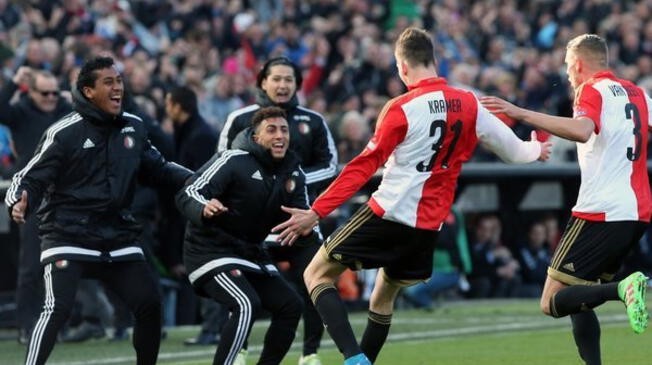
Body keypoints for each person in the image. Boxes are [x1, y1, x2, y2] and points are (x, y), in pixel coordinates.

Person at [272, 27, 551, 365]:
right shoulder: (470, 103)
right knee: (383, 298)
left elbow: (362, 166)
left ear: (402, 66)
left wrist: (316, 211)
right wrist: (538, 148)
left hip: (389, 212)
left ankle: (353, 358)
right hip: (427, 227)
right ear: (433, 60)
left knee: (315, 274)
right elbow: (515, 153)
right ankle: (364, 361)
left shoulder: (401, 107)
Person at [4, 56, 192, 365]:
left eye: (119, 81)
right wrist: (18, 199)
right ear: (88, 91)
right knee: (57, 308)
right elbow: (28, 176)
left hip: (117, 233)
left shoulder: (134, 127)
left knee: (149, 303)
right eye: (109, 82)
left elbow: (160, 168)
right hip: (68, 232)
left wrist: (196, 180)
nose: (118, 87)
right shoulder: (64, 132)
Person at [480, 33, 650, 365]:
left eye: (567, 67)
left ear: (577, 63)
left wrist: (520, 113)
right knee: (578, 294)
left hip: (601, 210)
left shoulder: (592, 90)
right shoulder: (638, 93)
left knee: (551, 300)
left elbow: (582, 130)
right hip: (638, 212)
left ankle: (622, 289)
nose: (567, 76)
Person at [218, 57, 336, 365]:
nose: (283, 85)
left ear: (297, 85)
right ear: (262, 82)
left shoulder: (314, 121)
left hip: (300, 220)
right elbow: (222, 162)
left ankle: (309, 354)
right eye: (277, 79)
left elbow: (331, 165)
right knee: (243, 286)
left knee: (315, 280)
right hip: (251, 223)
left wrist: (291, 180)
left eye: (289, 79)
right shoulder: (240, 118)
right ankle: (239, 349)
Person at [176, 106, 313, 365]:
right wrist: (204, 207)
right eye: (271, 130)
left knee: (291, 306)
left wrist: (305, 226)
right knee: (245, 304)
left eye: (284, 129)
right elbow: (188, 191)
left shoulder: (293, 172)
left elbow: (300, 216)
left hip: (251, 251)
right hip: (209, 250)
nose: (280, 136)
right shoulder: (233, 160)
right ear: (256, 136)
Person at [0, 66, 72, 344]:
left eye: (55, 92)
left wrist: (73, 94)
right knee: (30, 265)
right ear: (31, 91)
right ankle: (26, 326)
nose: (51, 97)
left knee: (63, 264)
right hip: (31, 196)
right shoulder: (20, 112)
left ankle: (59, 324)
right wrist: (14, 83)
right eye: (45, 93)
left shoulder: (63, 110)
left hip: (63, 196)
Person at [165, 86, 222, 345]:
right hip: (197, 210)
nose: (167, 110)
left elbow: (198, 180)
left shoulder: (199, 136)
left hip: (203, 212)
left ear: (178, 107)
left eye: (169, 104)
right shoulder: (190, 132)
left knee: (205, 268)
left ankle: (212, 329)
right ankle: (212, 327)